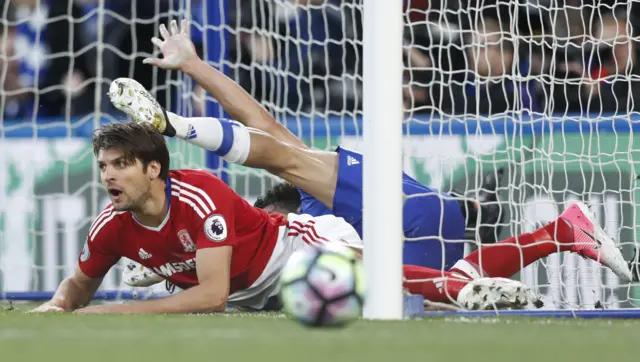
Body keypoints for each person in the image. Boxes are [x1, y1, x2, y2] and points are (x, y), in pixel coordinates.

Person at [26, 121, 593, 314]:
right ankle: (532, 245)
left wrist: (181, 112)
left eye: (121, 164)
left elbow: (267, 136)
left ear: (154, 169)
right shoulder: (115, 222)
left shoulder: (300, 182)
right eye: (105, 166)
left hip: (306, 246)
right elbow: (78, 282)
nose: (108, 176)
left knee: (377, 281)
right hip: (397, 226)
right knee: (386, 283)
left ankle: (465, 285)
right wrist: (61, 305)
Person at [111, 20, 507, 275]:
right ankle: (492, 224)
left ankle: (178, 124)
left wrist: (194, 74)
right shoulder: (318, 197)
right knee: (429, 293)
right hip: (429, 219)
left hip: (416, 224)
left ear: (281, 211)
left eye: (264, 220)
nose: (262, 229)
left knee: (402, 300)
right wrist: (194, 67)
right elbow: (260, 121)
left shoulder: (311, 206)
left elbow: (260, 127)